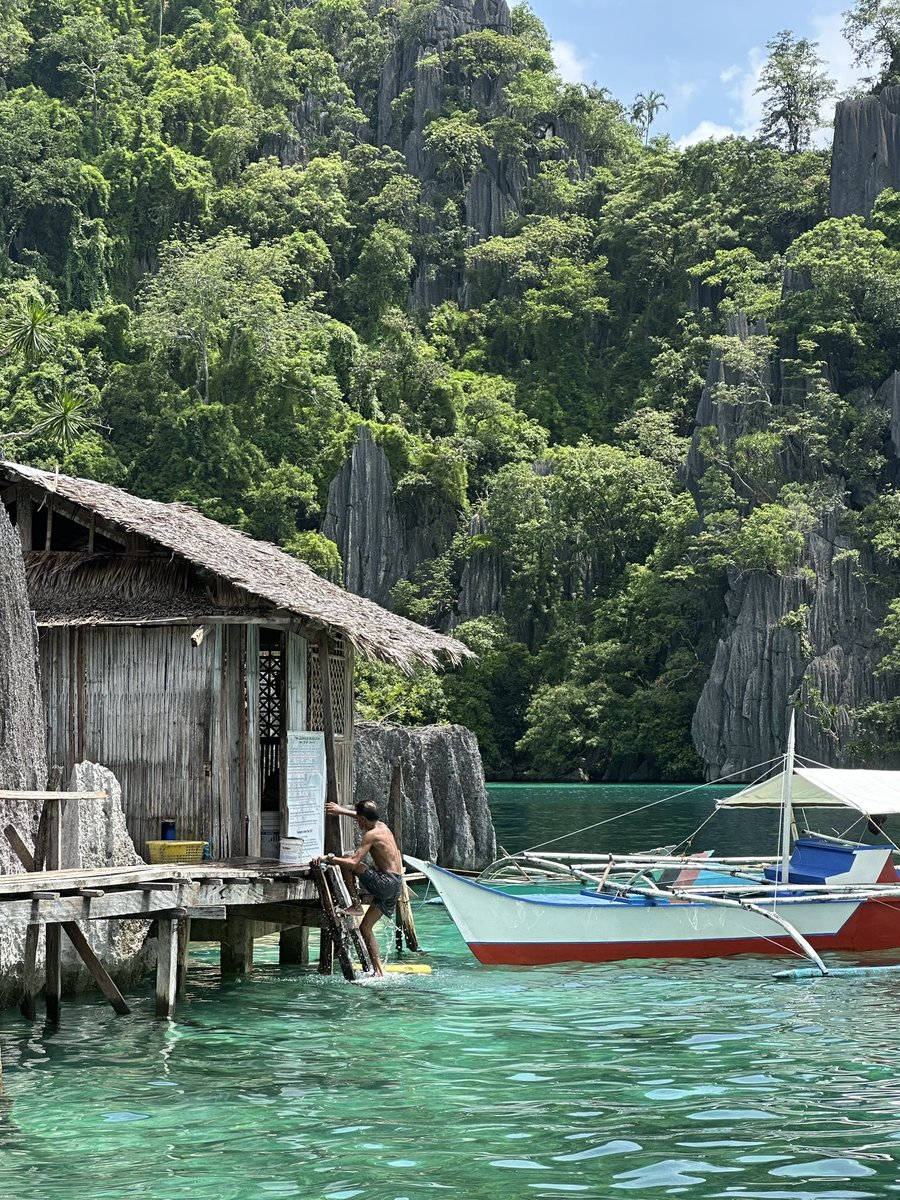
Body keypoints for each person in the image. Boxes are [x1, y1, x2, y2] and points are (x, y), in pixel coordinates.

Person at [312, 800, 404, 977]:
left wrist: (328, 858)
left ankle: (356, 905)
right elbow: (362, 816)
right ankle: (379, 972)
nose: (357, 823)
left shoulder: (371, 835)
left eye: (358, 820)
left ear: (363, 819)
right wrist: (341, 811)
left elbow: (354, 862)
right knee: (365, 928)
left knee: (348, 862)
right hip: (396, 884)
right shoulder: (383, 827)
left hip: (385, 882)